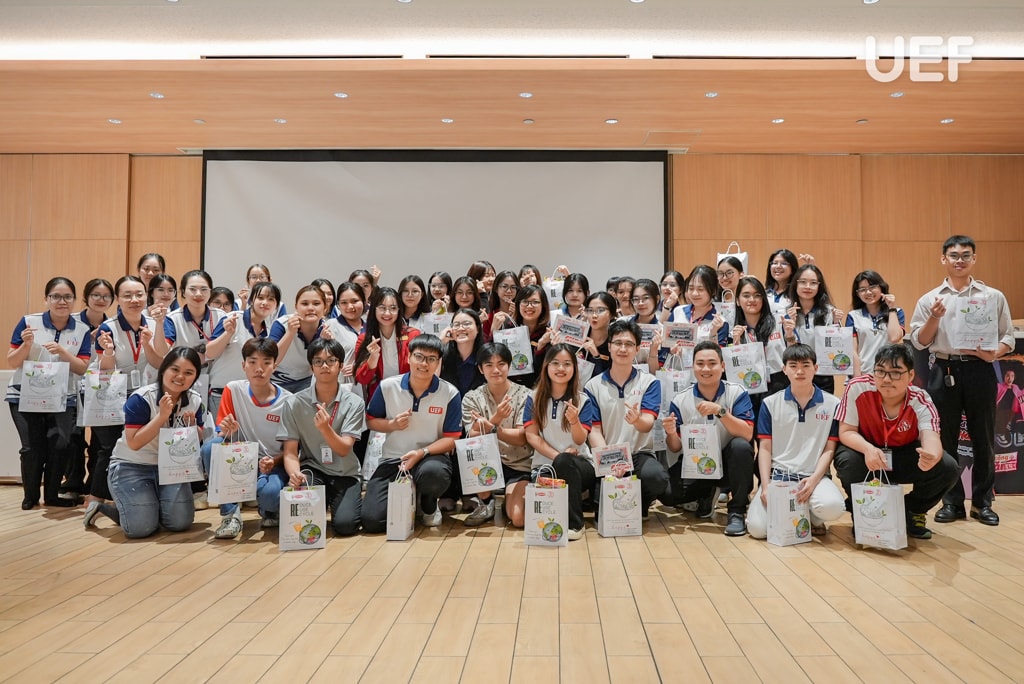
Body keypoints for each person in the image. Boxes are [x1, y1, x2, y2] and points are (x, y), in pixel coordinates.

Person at [909, 235, 1014, 527]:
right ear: (943, 259)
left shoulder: (992, 296)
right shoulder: (930, 299)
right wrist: (934, 318)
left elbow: (1007, 336)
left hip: (981, 369)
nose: (960, 260)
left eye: (966, 255)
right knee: (945, 438)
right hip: (944, 369)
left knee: (984, 437)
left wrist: (995, 353)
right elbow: (919, 342)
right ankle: (951, 502)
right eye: (954, 255)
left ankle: (982, 503)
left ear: (974, 259)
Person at [833, 342, 959, 539]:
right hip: (866, 452)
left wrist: (932, 454)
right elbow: (846, 431)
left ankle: (913, 510)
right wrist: (868, 449)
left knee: (948, 467)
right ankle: (863, 511)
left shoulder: (920, 399)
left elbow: (931, 436)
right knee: (847, 460)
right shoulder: (857, 387)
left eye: (895, 373)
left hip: (903, 455)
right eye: (880, 371)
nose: (886, 379)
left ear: (911, 375)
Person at [86, 347, 205, 538]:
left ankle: (145, 507)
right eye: (175, 369)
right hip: (132, 465)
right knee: (140, 529)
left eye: (189, 373)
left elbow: (197, 438)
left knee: (180, 522)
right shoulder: (141, 398)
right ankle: (107, 508)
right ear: (163, 370)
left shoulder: (195, 400)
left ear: (196, 376)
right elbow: (134, 443)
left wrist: (192, 429)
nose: (180, 377)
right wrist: (161, 416)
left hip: (171, 469)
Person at [7, 277, 92, 509]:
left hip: (63, 397)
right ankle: (31, 496)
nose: (62, 301)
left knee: (61, 445)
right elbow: (12, 361)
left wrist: (63, 352)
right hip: (24, 395)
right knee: (32, 448)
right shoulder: (28, 322)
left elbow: (82, 368)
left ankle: (52, 495)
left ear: (74, 300)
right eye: (56, 296)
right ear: (46, 299)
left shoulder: (82, 330)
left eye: (67, 297)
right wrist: (26, 345)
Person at [745, 344, 846, 539]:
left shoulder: (833, 403)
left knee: (833, 507)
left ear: (816, 368)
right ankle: (798, 512)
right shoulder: (770, 403)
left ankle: (812, 516)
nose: (800, 371)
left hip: (813, 478)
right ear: (784, 369)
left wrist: (814, 480)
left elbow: (829, 449)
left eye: (806, 365)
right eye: (793, 366)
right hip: (779, 478)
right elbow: (764, 449)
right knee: (757, 530)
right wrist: (765, 487)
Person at [362, 334, 461, 531]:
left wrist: (421, 453)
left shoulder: (450, 393)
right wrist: (392, 424)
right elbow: (371, 421)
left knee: (434, 474)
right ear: (408, 357)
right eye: (419, 357)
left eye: (431, 359)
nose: (424, 363)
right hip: (394, 459)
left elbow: (452, 439)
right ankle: (410, 499)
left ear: (438, 362)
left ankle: (428, 504)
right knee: (372, 521)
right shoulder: (388, 386)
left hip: (430, 458)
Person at [87, 276, 162, 525]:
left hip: (144, 397)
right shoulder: (108, 327)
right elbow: (105, 370)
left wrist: (148, 343)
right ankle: (95, 499)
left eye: (139, 294)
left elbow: (160, 363)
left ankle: (131, 501)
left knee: (142, 447)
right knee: (108, 448)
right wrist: (108, 351)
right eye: (127, 295)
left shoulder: (155, 324)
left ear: (146, 296)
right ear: (118, 299)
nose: (134, 300)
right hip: (113, 395)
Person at [663, 341, 755, 536]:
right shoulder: (680, 400)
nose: (706, 369)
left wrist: (721, 412)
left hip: (730, 465)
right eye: (700, 364)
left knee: (740, 446)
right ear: (692, 367)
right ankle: (707, 492)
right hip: (699, 465)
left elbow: (747, 433)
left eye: (712, 363)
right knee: (667, 494)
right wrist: (671, 433)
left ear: (723, 366)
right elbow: (675, 447)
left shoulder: (737, 392)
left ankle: (737, 510)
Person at [202, 337, 291, 538]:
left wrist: (274, 461)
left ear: (275, 366)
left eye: (266, 363)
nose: (259, 369)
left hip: (273, 464)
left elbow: (292, 449)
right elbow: (222, 435)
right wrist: (229, 431)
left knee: (270, 495)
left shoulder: (288, 401)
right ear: (243, 365)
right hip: (241, 460)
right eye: (252, 362)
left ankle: (269, 510)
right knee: (211, 447)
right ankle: (230, 515)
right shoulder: (233, 389)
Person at [278, 338, 366, 536]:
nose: (325, 366)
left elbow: (344, 449)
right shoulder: (294, 403)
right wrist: (294, 474)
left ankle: (337, 502)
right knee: (301, 522)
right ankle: (319, 500)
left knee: (345, 526)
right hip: (313, 469)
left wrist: (325, 429)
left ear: (341, 366)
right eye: (318, 361)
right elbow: (290, 452)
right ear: (311, 367)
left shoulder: (355, 403)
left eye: (331, 360)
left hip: (345, 472)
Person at [585, 319, 669, 520]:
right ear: (609, 346)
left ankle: (641, 502)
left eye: (629, 344)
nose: (623, 349)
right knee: (603, 515)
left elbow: (647, 424)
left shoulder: (649, 382)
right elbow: (594, 431)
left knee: (657, 477)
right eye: (618, 343)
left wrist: (637, 420)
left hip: (638, 454)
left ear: (637, 349)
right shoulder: (592, 386)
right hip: (606, 456)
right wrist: (611, 463)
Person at [524, 344, 596, 540]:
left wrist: (574, 421)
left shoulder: (582, 400)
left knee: (566, 463)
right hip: (545, 467)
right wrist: (559, 457)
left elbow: (581, 439)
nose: (561, 368)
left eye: (567, 364)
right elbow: (532, 437)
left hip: (581, 466)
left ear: (574, 368)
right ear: (546, 366)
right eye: (555, 363)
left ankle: (576, 525)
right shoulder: (533, 398)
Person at [460, 342, 533, 526]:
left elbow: (521, 437)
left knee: (518, 518)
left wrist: (491, 427)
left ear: (509, 365)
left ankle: (509, 498)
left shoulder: (525, 395)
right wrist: (497, 419)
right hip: (486, 463)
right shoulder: (471, 397)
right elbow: (472, 437)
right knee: (474, 451)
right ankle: (486, 502)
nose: (496, 370)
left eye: (501, 364)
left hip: (519, 465)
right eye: (489, 365)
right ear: (480, 369)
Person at [63, 277, 115, 502]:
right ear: (86, 297)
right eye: (95, 295)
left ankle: (94, 484)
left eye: (106, 296)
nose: (101, 300)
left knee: (100, 442)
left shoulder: (112, 325)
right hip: (72, 387)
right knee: (73, 438)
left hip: (101, 390)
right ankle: (72, 482)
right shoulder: (72, 322)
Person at [206, 281, 281, 417]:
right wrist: (228, 333)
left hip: (249, 395)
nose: (265, 302)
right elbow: (209, 353)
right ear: (251, 300)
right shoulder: (233, 318)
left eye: (271, 299)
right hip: (222, 391)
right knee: (222, 431)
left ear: (276, 306)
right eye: (260, 297)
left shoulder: (270, 329)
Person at [156, 269, 225, 408]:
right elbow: (162, 351)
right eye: (192, 289)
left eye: (204, 289)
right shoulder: (172, 319)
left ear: (210, 292)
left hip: (214, 382)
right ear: (183, 292)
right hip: (183, 380)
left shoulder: (221, 316)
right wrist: (159, 323)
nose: (198, 294)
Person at [353, 286, 421, 404]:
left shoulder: (412, 335)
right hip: (379, 397)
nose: (387, 313)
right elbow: (362, 379)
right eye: (382, 308)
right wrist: (373, 358)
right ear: (374, 309)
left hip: (408, 395)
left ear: (399, 310)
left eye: (393, 308)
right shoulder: (364, 339)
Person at [787, 264, 843, 395]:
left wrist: (836, 323)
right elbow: (785, 347)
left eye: (813, 283)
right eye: (803, 282)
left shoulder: (829, 312)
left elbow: (836, 346)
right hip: (796, 373)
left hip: (822, 373)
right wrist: (790, 327)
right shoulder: (786, 312)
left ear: (819, 286)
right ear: (795, 284)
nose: (807, 286)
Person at [269, 285, 330, 393]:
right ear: (296, 307)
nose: (310, 308)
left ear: (325, 307)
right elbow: (271, 359)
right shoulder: (282, 324)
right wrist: (290, 332)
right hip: (277, 381)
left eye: (316, 303)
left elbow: (327, 368)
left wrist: (325, 346)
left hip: (307, 381)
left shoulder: (328, 329)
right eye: (305, 304)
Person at [846, 270, 905, 377]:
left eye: (872, 287)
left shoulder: (897, 312)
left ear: (881, 287)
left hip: (889, 374)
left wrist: (891, 308)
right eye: (862, 289)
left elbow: (894, 338)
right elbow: (852, 350)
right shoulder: (853, 316)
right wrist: (858, 379)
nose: (868, 292)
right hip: (863, 374)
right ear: (857, 294)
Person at [578, 292, 615, 377]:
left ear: (612, 314)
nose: (594, 315)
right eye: (590, 310)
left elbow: (612, 377)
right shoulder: (579, 334)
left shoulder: (615, 342)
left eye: (600, 310)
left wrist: (596, 356)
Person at [996, 369, 1023, 439]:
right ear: (1004, 377)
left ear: (1014, 378)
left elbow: (1020, 397)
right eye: (1008, 375)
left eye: (1012, 376)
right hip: (1001, 411)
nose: (1010, 378)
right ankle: (1002, 435)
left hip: (1013, 412)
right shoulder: (999, 386)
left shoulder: (1015, 387)